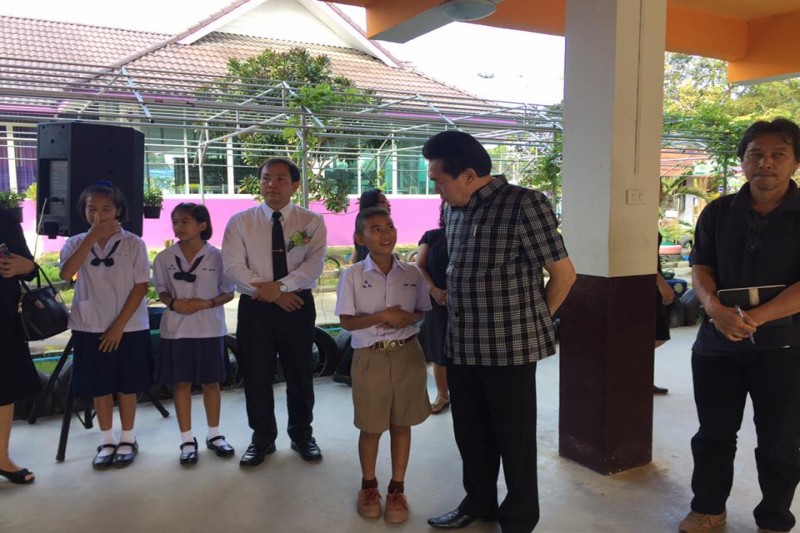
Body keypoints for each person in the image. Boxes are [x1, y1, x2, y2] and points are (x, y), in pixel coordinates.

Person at [423, 130, 576, 533]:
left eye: (439, 180)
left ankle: (519, 519)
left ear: (469, 175)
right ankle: (479, 503)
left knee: (515, 439)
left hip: (510, 349)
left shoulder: (524, 204)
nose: (437, 190)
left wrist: (532, 323)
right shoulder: (454, 209)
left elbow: (563, 274)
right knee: (470, 432)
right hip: (462, 344)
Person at [679, 118, 800, 533]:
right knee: (713, 434)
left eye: (778, 154)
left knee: (781, 440)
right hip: (717, 346)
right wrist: (714, 309)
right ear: (743, 161)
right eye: (756, 154)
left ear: (795, 162)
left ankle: (774, 519)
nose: (766, 163)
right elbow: (701, 266)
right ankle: (708, 508)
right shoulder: (718, 212)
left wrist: (755, 319)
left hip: (785, 347)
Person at [222, 157, 327, 466]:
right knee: (256, 372)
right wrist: (273, 293)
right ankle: (262, 438)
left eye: (280, 179)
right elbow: (232, 266)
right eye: (266, 178)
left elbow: (314, 264)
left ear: (294, 185)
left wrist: (280, 288)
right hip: (255, 306)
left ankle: (302, 435)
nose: (272, 184)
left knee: (300, 371)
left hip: (297, 303)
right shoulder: (241, 222)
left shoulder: (311, 221)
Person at [335, 206, 432, 524]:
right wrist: (383, 316)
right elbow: (347, 322)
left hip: (407, 356)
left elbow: (422, 311)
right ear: (360, 238)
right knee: (371, 427)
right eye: (375, 229)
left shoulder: (411, 274)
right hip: (370, 357)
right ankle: (369, 486)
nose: (385, 234)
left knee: (402, 425)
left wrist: (408, 318)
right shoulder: (352, 275)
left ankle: (397, 489)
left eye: (389, 226)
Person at [59, 182, 153, 469]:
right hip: (90, 324)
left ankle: (128, 438)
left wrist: (118, 326)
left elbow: (141, 286)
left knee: (127, 384)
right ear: (83, 211)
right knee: (99, 385)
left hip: (128, 326)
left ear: (118, 211)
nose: (98, 215)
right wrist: (91, 237)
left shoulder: (134, 243)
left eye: (106, 209)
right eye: (92, 209)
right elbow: (66, 273)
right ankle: (107, 440)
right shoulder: (75, 242)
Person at [153, 203, 235, 465]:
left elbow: (229, 292)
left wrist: (208, 303)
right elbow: (161, 290)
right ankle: (187, 439)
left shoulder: (218, 257)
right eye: (175, 222)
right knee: (181, 383)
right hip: (176, 330)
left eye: (185, 222)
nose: (178, 227)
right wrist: (173, 302)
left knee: (212, 383)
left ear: (202, 225)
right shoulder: (164, 258)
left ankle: (215, 435)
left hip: (209, 328)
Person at [333, 189, 392, 386]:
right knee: (365, 326)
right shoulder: (367, 227)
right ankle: (345, 370)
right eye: (382, 201)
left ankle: (345, 370)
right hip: (368, 280)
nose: (387, 204)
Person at [0, 208, 40, 484]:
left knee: (4, 389)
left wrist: (22, 266)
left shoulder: (4, 219)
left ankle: (1, 457)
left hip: (3, 319)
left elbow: (30, 269)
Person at [417, 201, 450, 413]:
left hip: (468, 304)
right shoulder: (432, 236)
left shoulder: (474, 234)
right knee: (439, 349)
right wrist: (434, 291)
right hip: (437, 302)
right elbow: (419, 266)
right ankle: (442, 395)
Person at [654, 230, 674, 395]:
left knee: (657, 335)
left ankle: (642, 377)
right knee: (657, 335)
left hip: (652, 281)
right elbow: (644, 257)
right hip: (648, 282)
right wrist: (661, 283)